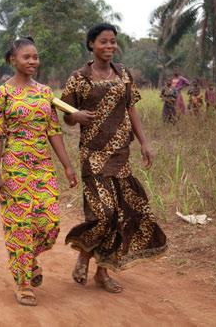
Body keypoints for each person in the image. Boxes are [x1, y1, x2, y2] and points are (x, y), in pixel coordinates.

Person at [60, 23, 167, 293]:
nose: (109, 46)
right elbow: (67, 116)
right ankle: (84, 252)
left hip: (121, 155)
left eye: (113, 42)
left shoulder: (124, 75)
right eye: (103, 42)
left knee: (120, 215)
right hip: (93, 155)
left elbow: (131, 109)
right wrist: (77, 115)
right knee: (103, 212)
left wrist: (144, 143)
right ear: (91, 45)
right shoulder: (79, 77)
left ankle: (102, 272)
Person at [0, 37, 79, 306]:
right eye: (27, 57)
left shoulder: (45, 93)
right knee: (20, 226)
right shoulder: (2, 94)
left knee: (50, 222)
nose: (33, 61)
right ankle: (23, 283)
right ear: (13, 60)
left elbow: (53, 131)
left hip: (43, 165)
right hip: (14, 167)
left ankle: (29, 258)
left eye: (36, 57)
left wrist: (67, 165)